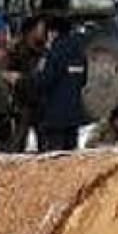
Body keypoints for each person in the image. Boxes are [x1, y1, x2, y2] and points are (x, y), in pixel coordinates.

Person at [35, 20, 87, 151]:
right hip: (74, 114)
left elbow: (45, 80)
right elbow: (83, 80)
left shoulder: (54, 52)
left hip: (54, 116)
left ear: (53, 32)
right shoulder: (80, 52)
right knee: (71, 157)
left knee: (56, 159)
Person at [7, 16, 48, 152]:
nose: (43, 30)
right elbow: (10, 75)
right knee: (18, 140)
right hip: (23, 101)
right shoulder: (18, 50)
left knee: (45, 143)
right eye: (40, 27)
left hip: (40, 101)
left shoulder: (44, 49)